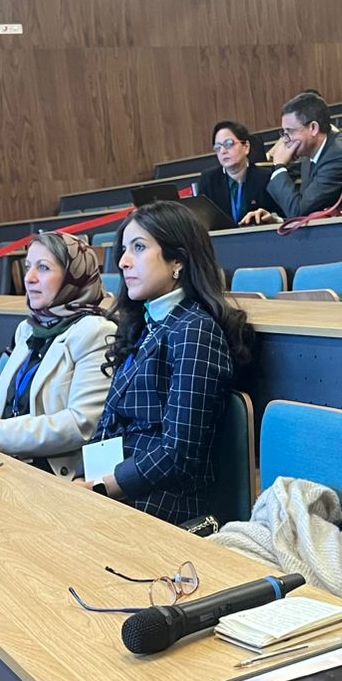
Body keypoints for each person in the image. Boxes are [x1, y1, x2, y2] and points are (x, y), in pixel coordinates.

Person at [78, 202, 253, 524]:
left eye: (139, 247)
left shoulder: (194, 330)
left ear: (178, 260)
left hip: (162, 504)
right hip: (119, 489)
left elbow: (179, 453)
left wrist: (101, 488)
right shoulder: (146, 324)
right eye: (124, 250)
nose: (123, 261)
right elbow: (110, 423)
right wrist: (82, 478)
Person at [0, 232, 116, 479]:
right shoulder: (28, 329)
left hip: (55, 474)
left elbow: (81, 424)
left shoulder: (96, 332)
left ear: (74, 276)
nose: (29, 278)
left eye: (43, 267)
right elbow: (9, 402)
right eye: (28, 267)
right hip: (10, 458)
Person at [245, 92, 342, 225]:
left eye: (290, 131)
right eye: (284, 133)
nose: (285, 140)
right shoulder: (310, 154)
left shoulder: (338, 156)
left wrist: (279, 166)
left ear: (313, 128)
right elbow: (307, 211)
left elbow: (299, 211)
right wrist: (276, 220)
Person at [194, 120, 278, 226]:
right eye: (218, 147)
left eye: (229, 144)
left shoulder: (266, 177)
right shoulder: (209, 180)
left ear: (246, 147)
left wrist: (272, 219)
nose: (223, 151)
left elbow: (283, 216)